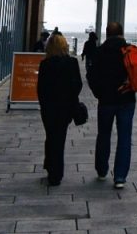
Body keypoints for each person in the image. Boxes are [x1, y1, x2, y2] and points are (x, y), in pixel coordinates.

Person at [87, 21, 136, 189]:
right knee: (124, 137)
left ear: (107, 34)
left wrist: (98, 93)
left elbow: (91, 75)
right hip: (127, 100)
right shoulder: (129, 50)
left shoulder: (99, 51)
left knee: (103, 135)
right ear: (122, 33)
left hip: (106, 100)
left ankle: (102, 170)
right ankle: (120, 177)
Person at [36, 34, 82, 187]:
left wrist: (44, 104)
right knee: (59, 139)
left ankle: (51, 168)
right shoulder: (72, 63)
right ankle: (56, 172)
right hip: (65, 107)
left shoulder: (45, 64)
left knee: (50, 136)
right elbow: (78, 85)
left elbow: (40, 89)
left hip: (49, 108)